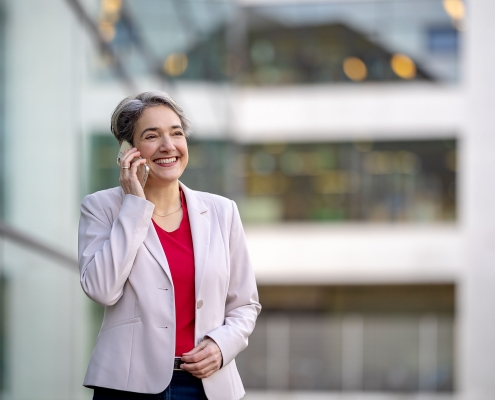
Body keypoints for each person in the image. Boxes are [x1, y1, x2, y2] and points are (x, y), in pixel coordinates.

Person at [78, 91, 261, 400]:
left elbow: (245, 304)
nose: (168, 146)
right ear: (129, 151)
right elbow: (101, 289)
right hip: (128, 386)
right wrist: (134, 206)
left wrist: (222, 346)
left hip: (208, 385)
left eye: (176, 133)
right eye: (152, 136)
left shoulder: (222, 211)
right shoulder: (101, 207)